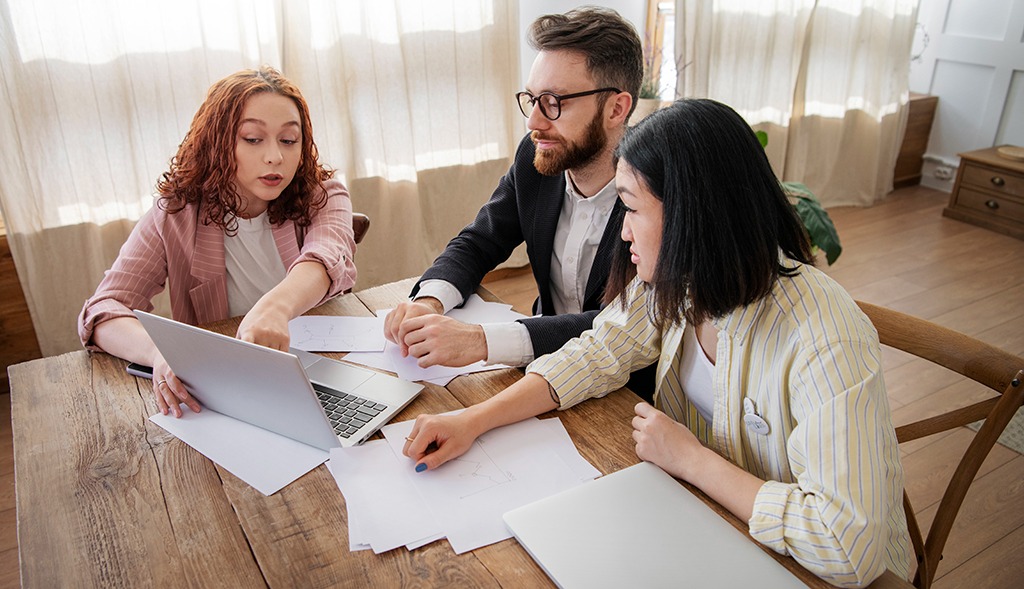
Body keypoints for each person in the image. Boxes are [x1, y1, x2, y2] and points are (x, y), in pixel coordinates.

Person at [402, 99, 912, 587]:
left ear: (693, 215)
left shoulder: (825, 335)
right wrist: (472, 420)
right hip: (704, 522)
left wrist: (692, 460)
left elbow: (847, 546)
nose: (623, 233)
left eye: (630, 208)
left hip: (807, 567)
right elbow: (596, 354)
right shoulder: (680, 280)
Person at [383, 6, 656, 399]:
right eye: (532, 99)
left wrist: (480, 341)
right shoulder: (535, 158)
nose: (534, 122)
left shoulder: (653, 196)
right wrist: (429, 302)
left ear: (616, 108)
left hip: (624, 391)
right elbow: (480, 241)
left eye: (555, 102)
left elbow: (619, 328)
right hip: (537, 369)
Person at [78, 66, 357, 419]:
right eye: (253, 139)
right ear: (218, 142)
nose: (275, 156)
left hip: (324, 375)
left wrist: (274, 309)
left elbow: (325, 258)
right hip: (225, 392)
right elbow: (103, 311)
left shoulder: (324, 195)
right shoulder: (176, 213)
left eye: (289, 140)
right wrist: (160, 353)